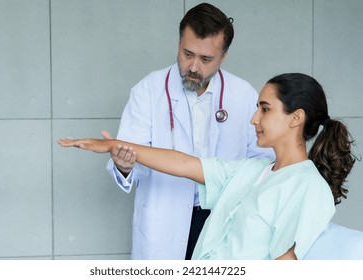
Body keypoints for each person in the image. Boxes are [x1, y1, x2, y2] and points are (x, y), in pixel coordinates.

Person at [58, 73, 356, 259]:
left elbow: (286, 267)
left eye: (265, 109)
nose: (254, 118)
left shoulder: (308, 188)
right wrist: (113, 146)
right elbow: (184, 163)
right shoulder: (251, 172)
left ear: (296, 118)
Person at [100, 3, 273, 260]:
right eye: (187, 53)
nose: (193, 66)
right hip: (164, 219)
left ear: (223, 57)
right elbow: (131, 155)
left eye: (205, 59)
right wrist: (124, 165)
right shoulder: (148, 90)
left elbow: (263, 161)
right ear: (179, 44)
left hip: (223, 216)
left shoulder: (243, 94)